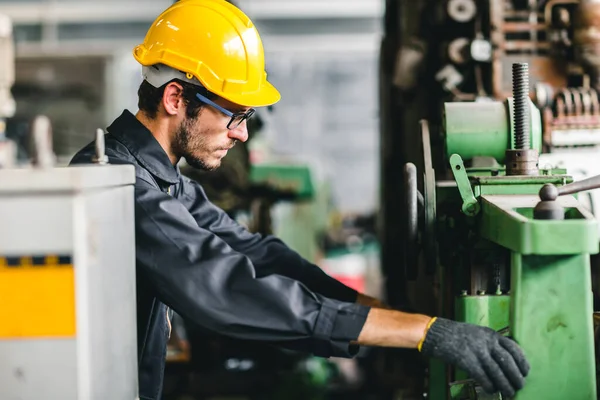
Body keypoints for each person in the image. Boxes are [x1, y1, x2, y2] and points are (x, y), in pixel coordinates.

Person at [70, 1, 530, 399]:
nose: (242, 133)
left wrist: (397, 321)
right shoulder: (124, 186)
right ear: (175, 97)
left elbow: (257, 256)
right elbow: (230, 289)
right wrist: (423, 334)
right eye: (235, 114)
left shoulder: (163, 179)